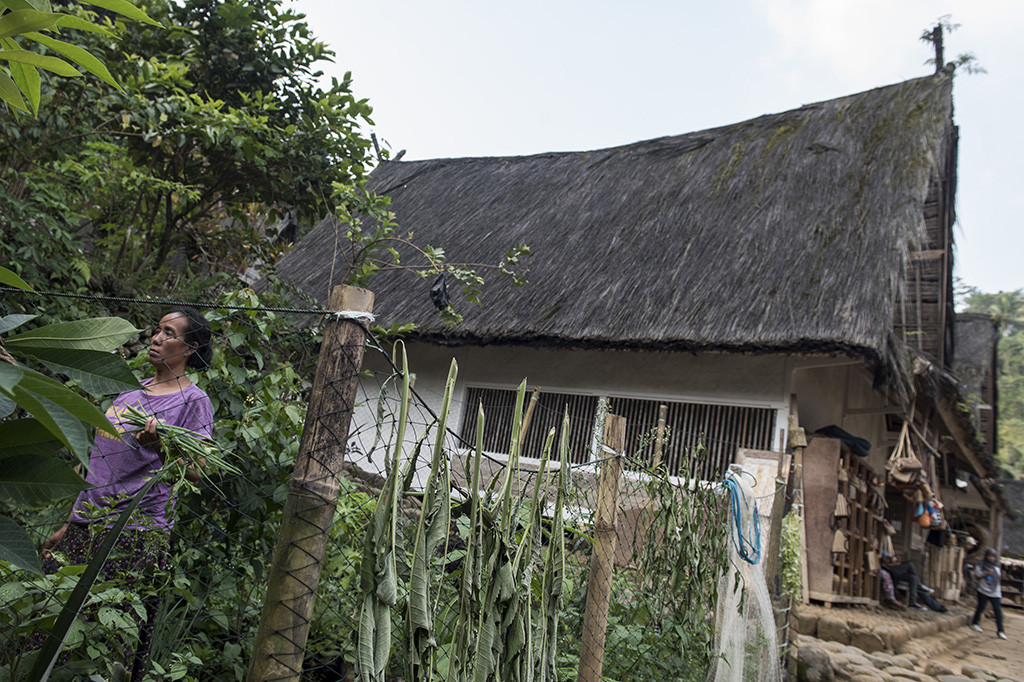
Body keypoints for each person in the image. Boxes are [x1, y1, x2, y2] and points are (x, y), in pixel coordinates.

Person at [39, 307, 214, 677]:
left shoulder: (193, 402)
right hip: (86, 525)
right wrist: (70, 523)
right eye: (157, 330)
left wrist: (158, 445)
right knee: (48, 622)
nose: (155, 338)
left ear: (190, 348)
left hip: (133, 534)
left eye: (169, 333)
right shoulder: (129, 391)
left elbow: (196, 471)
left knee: (102, 640)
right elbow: (101, 463)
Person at [970, 547, 1007, 640]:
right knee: (981, 607)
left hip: (995, 591)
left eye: (993, 557)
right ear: (986, 556)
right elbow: (977, 574)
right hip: (983, 589)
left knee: (998, 610)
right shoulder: (981, 564)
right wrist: (986, 573)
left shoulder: (996, 566)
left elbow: (998, 577)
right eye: (990, 556)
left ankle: (1001, 631)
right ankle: (975, 623)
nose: (991, 558)